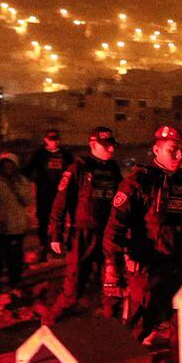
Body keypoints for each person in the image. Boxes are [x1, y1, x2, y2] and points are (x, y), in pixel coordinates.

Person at [104, 125, 182, 343]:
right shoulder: (138, 183)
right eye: (173, 149)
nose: (179, 155)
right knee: (140, 324)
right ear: (156, 150)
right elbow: (115, 227)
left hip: (181, 265)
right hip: (150, 268)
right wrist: (111, 266)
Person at [44, 126, 123, 322]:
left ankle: (111, 327)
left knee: (111, 286)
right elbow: (60, 203)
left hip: (108, 235)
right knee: (73, 289)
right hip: (82, 235)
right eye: (107, 146)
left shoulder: (113, 170)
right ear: (93, 145)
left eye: (112, 146)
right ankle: (50, 322)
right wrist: (56, 234)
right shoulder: (78, 168)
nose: (111, 150)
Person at [0, 152, 33, 298]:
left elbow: (28, 200)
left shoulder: (22, 181)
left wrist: (15, 187)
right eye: (4, 166)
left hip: (15, 228)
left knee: (15, 260)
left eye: (10, 166)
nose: (7, 169)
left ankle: (15, 285)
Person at [24, 129, 70, 255]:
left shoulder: (65, 154)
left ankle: (57, 242)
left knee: (59, 217)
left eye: (56, 139)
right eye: (51, 139)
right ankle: (44, 244)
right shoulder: (39, 154)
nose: (54, 142)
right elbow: (28, 169)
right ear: (45, 140)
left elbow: (72, 169)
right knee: (43, 218)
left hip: (60, 192)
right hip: (43, 191)